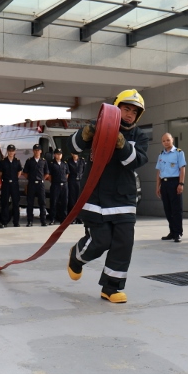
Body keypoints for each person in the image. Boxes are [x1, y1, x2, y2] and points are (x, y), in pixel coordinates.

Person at [66, 89, 149, 304]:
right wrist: (85, 133)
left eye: (134, 111)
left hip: (124, 199)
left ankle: (111, 288)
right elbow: (73, 147)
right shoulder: (97, 126)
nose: (130, 114)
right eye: (126, 108)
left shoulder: (138, 136)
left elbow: (136, 161)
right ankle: (77, 255)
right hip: (95, 196)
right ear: (116, 107)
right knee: (100, 241)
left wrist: (121, 144)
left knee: (123, 243)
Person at [155, 133, 186, 242]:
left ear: (172, 140)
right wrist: (157, 186)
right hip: (164, 183)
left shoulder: (179, 153)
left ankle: (178, 233)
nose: (166, 142)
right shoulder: (161, 155)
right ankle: (172, 231)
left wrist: (181, 184)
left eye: (168, 140)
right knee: (168, 209)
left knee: (176, 209)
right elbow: (159, 171)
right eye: (163, 141)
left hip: (174, 182)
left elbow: (182, 169)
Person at [22, 144, 49, 227]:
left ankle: (43, 221)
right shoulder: (29, 161)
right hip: (32, 184)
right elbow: (25, 173)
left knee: (42, 202)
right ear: (33, 151)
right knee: (30, 203)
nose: (36, 151)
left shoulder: (43, 161)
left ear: (40, 151)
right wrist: (31, 179)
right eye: (35, 150)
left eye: (38, 150)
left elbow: (47, 173)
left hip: (40, 184)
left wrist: (42, 179)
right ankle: (30, 221)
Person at [0, 144, 22, 227]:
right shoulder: (3, 161)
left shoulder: (17, 161)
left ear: (14, 152)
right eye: (9, 151)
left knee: (16, 203)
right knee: (4, 202)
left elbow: (19, 171)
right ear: (7, 151)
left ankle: (16, 222)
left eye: (12, 151)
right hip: (6, 183)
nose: (11, 152)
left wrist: (14, 178)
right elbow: (0, 174)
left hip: (14, 184)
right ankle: (4, 221)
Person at [48, 148, 69, 224]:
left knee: (64, 202)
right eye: (57, 154)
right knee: (54, 202)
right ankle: (52, 219)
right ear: (54, 155)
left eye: (60, 154)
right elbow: (49, 176)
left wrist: (63, 181)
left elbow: (67, 174)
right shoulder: (51, 163)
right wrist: (55, 182)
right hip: (55, 185)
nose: (59, 155)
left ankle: (63, 219)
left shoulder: (65, 163)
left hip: (64, 185)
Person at [67, 151, 86, 224]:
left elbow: (84, 171)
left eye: (76, 153)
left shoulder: (82, 161)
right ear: (71, 154)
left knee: (80, 200)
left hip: (80, 182)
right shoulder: (69, 161)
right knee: (72, 201)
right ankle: (73, 218)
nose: (75, 155)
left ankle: (80, 218)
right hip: (72, 182)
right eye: (73, 153)